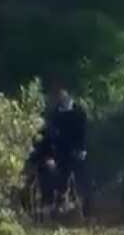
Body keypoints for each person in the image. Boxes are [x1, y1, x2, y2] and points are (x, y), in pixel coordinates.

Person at [29, 87, 91, 215]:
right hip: (55, 153)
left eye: (64, 94)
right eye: (59, 95)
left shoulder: (79, 113)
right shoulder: (54, 115)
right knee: (46, 170)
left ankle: (77, 204)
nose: (61, 97)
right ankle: (49, 202)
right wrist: (46, 155)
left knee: (77, 173)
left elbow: (82, 134)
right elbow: (46, 137)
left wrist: (81, 149)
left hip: (72, 152)